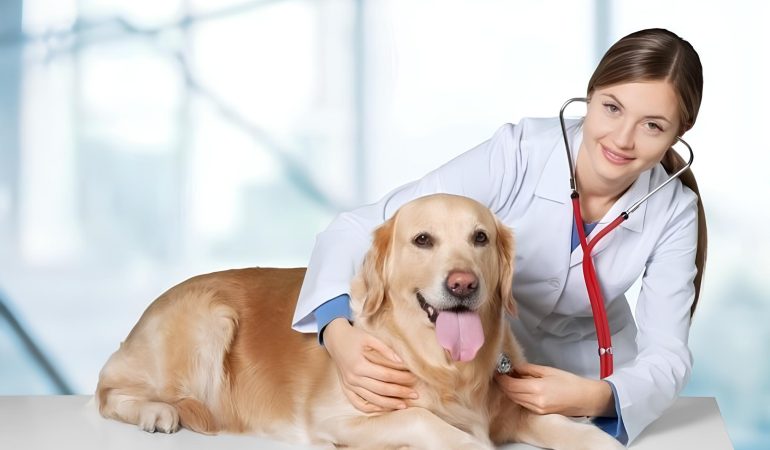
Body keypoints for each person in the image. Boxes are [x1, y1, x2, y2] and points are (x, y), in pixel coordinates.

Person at [291, 28, 707, 445]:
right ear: (590, 94)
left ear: (679, 133)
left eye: (653, 125)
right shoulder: (520, 152)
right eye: (612, 108)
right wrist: (337, 332)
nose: (622, 139)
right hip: (483, 368)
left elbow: (667, 351)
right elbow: (362, 226)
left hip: (585, 379)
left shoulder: (674, 212)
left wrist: (598, 396)